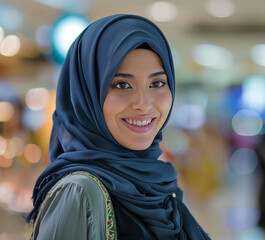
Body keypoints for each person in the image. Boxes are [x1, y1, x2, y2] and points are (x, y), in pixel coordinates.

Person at [26, 14, 211, 240]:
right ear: (87, 97)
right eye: (122, 85)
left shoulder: (159, 188)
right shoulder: (78, 193)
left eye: (157, 83)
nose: (143, 104)